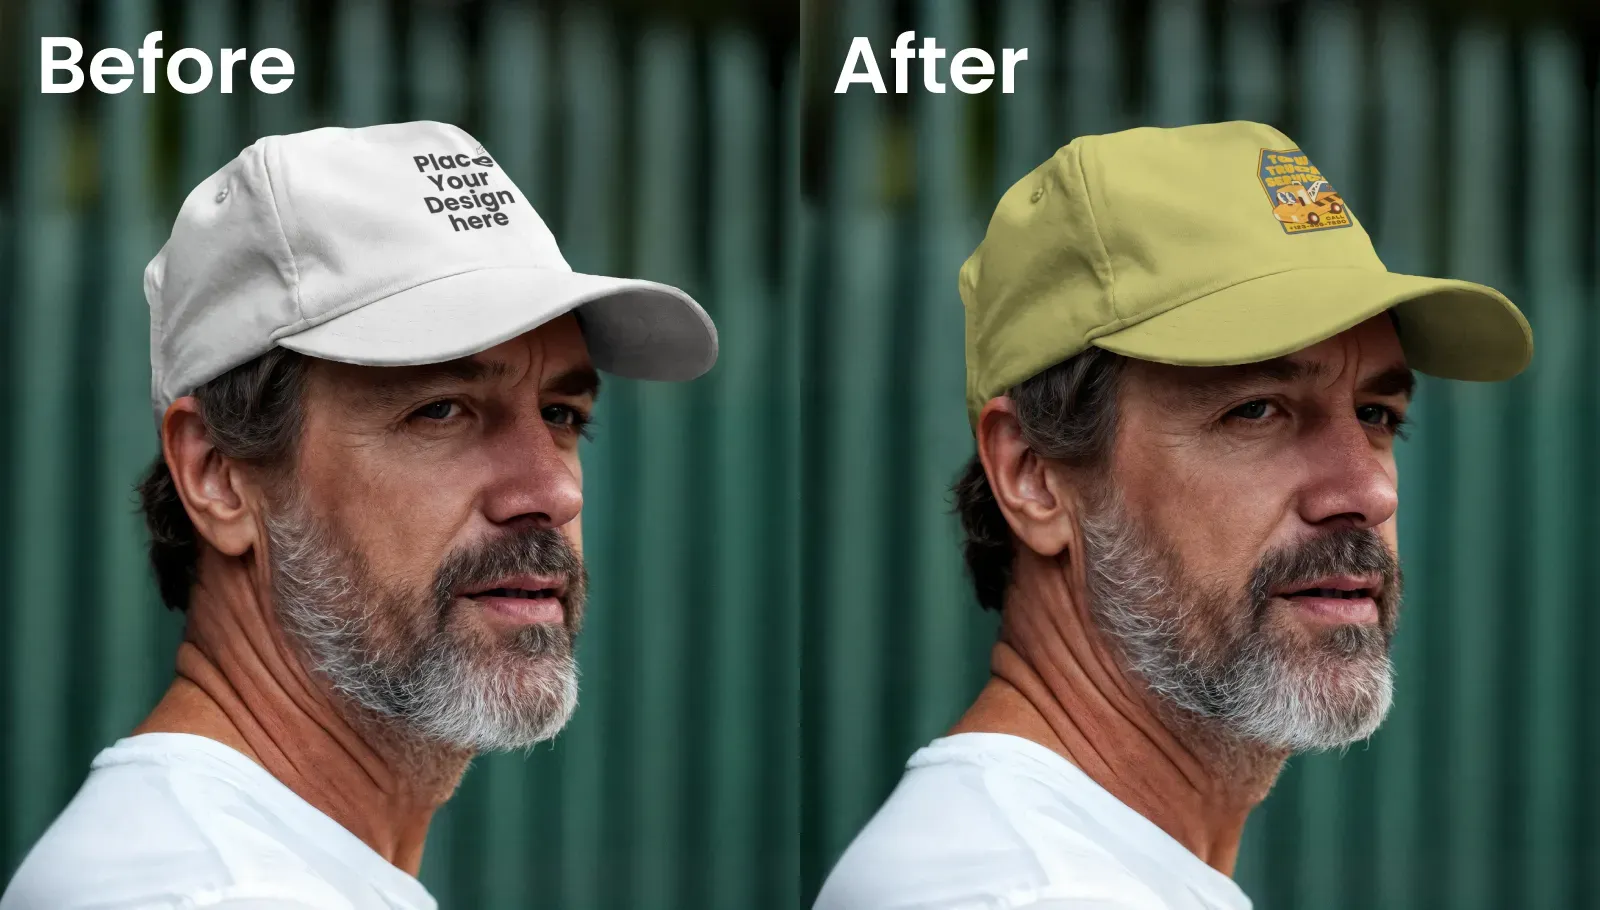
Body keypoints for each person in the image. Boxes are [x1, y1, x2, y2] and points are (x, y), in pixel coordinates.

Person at [815, 121, 1532, 910]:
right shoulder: (1022, 893)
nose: (1369, 491)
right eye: (1256, 409)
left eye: (1376, 413)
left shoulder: (1087, 864)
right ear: (1032, 476)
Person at [1, 121, 717, 910]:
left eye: (560, 413)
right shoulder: (208, 893)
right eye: (441, 409)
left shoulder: (274, 865)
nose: (554, 492)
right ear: (217, 476)